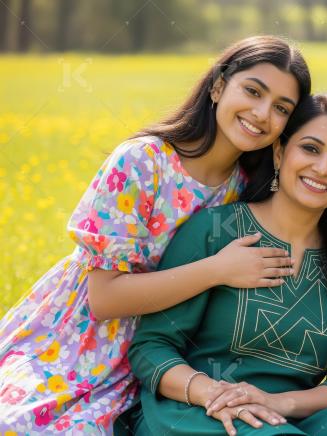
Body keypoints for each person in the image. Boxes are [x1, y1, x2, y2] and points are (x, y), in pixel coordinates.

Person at [0, 35, 309, 433]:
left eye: (282, 108)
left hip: (162, 358)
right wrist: (218, 270)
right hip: (74, 344)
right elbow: (104, 298)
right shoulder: (143, 162)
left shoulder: (250, 188)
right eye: (252, 91)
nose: (263, 113)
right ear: (218, 86)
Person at [127, 93, 327, 436]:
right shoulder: (216, 231)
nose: (322, 168)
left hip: (290, 418)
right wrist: (214, 394)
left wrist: (280, 403)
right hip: (198, 412)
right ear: (280, 151)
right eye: (311, 149)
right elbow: (151, 346)